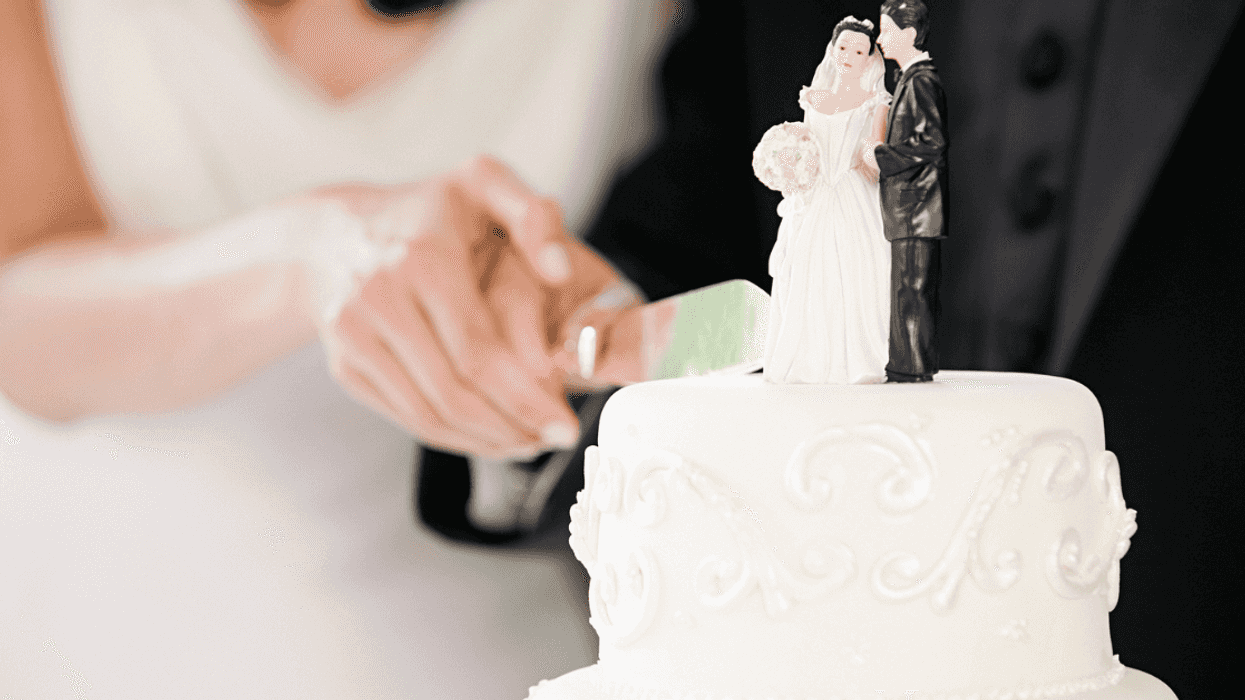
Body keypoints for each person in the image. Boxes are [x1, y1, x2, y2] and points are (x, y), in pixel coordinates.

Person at [0, 0, 672, 696]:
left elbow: (685, 220)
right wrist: (311, 253)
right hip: (111, 613)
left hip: (470, 629)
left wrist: (557, 331)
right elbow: (16, 315)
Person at [761, 16, 891, 385]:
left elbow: (873, 148)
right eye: (844, 47)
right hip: (816, 192)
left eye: (859, 50)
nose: (849, 55)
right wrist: (789, 162)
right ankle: (807, 361)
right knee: (807, 272)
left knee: (855, 271)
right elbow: (806, 141)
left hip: (851, 189)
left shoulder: (874, 101)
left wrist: (874, 159)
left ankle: (857, 361)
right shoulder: (814, 96)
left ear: (869, 58)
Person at [868, 0, 948, 384]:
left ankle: (910, 369)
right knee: (906, 290)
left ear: (910, 35)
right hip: (909, 208)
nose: (880, 40)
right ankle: (909, 364)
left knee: (911, 292)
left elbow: (931, 144)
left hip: (917, 207)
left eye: (887, 31)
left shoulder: (922, 82)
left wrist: (880, 155)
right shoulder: (908, 80)